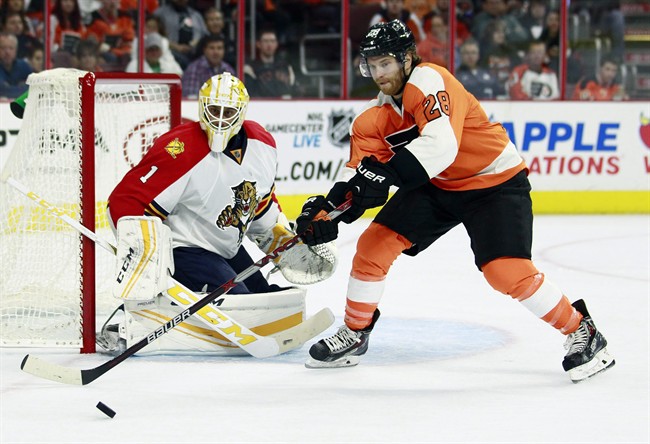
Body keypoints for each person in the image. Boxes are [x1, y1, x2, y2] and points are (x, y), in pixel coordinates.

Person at [295, 20, 615, 383]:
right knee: (372, 245)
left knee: (505, 272)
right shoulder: (372, 118)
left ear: (407, 58)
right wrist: (327, 211)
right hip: (438, 185)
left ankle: (582, 331)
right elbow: (356, 175)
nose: (379, 73)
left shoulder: (430, 80)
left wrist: (386, 175)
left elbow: (440, 146)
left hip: (495, 182)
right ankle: (355, 331)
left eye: (386, 63)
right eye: (373, 64)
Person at [97, 72, 336, 354]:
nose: (220, 119)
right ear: (201, 108)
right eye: (214, 110)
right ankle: (137, 319)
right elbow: (126, 200)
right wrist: (144, 252)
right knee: (240, 302)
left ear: (242, 112)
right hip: (185, 248)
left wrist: (283, 240)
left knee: (266, 299)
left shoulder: (263, 145)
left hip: (226, 248)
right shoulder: (181, 149)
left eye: (229, 111)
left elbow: (259, 205)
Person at [243, 28, 299, 98]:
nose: (269, 45)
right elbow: (251, 94)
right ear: (258, 44)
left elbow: (295, 90)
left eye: (272, 41)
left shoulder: (285, 67)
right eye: (266, 41)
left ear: (276, 44)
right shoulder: (250, 68)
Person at [153, 0, 208, 69]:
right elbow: (154, 36)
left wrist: (195, 44)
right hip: (170, 53)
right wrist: (174, 46)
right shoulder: (160, 14)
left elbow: (205, 35)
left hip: (195, 53)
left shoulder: (196, 15)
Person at [181, 34, 235, 98]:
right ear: (204, 50)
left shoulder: (228, 69)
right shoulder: (194, 69)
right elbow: (190, 98)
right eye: (212, 48)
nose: (216, 52)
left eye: (219, 48)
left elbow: (235, 97)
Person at [86, 0, 135, 69]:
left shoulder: (125, 16)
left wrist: (111, 50)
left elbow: (128, 43)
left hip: (122, 55)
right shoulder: (94, 17)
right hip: (101, 55)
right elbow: (91, 43)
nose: (112, 2)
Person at [0, 32, 32, 99]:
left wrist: (8, 88)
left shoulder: (24, 66)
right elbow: (2, 90)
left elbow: (33, 88)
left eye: (11, 48)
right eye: (3, 48)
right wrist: (21, 87)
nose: (7, 52)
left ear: (16, 50)